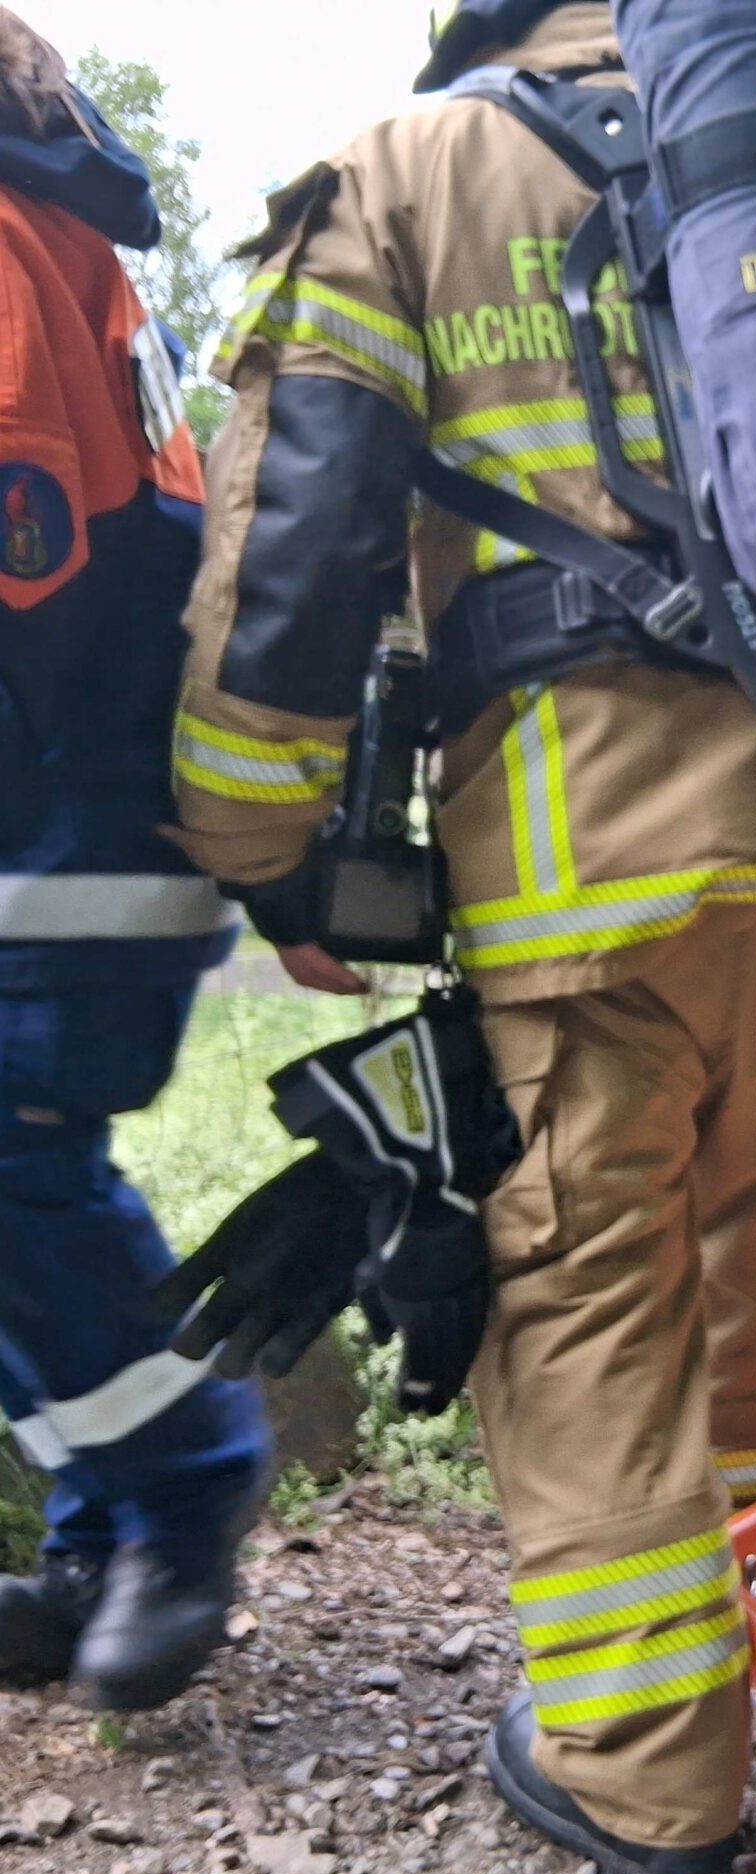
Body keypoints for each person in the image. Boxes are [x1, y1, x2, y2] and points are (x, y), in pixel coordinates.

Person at [166, 0, 756, 1874]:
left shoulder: (407, 176)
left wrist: (263, 851)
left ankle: (645, 1778)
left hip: (582, 868)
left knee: (590, 1302)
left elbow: (296, 546)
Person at [0, 11, 269, 1711]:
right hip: (90, 793)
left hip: (65, 810)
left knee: (11, 1159)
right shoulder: (53, 223)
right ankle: (107, 1531)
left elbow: (26, 577)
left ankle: (185, 1482)